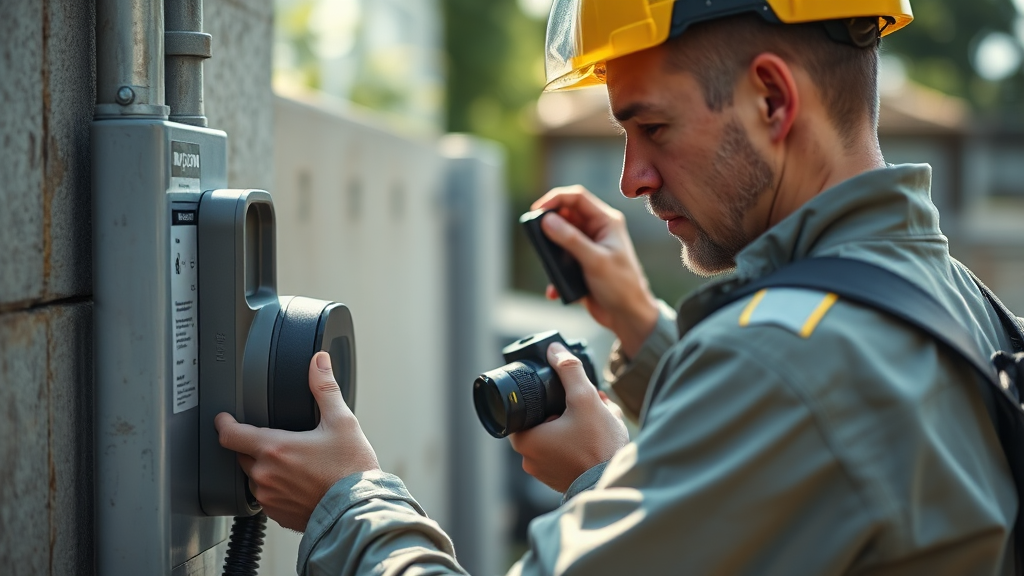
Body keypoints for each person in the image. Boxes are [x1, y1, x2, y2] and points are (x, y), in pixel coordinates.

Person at [216, 0, 1021, 574]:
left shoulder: (786, 371)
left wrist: (347, 504)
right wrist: (642, 331)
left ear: (772, 99)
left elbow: (796, 406)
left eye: (653, 127)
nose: (632, 178)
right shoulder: (957, 305)